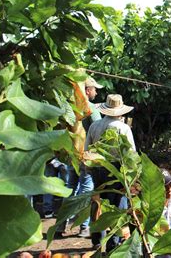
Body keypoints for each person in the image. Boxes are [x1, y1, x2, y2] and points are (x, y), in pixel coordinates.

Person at [85, 94, 136, 250]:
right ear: (120, 111)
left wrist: (88, 168)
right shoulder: (123, 128)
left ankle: (96, 240)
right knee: (117, 205)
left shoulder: (95, 126)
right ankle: (113, 243)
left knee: (97, 202)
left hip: (98, 167)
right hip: (116, 169)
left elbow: (87, 149)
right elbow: (131, 153)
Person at [66, 76, 103, 237]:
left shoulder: (73, 107)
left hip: (72, 152)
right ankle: (84, 227)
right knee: (87, 189)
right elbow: (98, 129)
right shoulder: (90, 109)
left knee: (70, 188)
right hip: (85, 154)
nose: (96, 92)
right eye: (94, 89)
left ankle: (61, 225)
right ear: (87, 91)